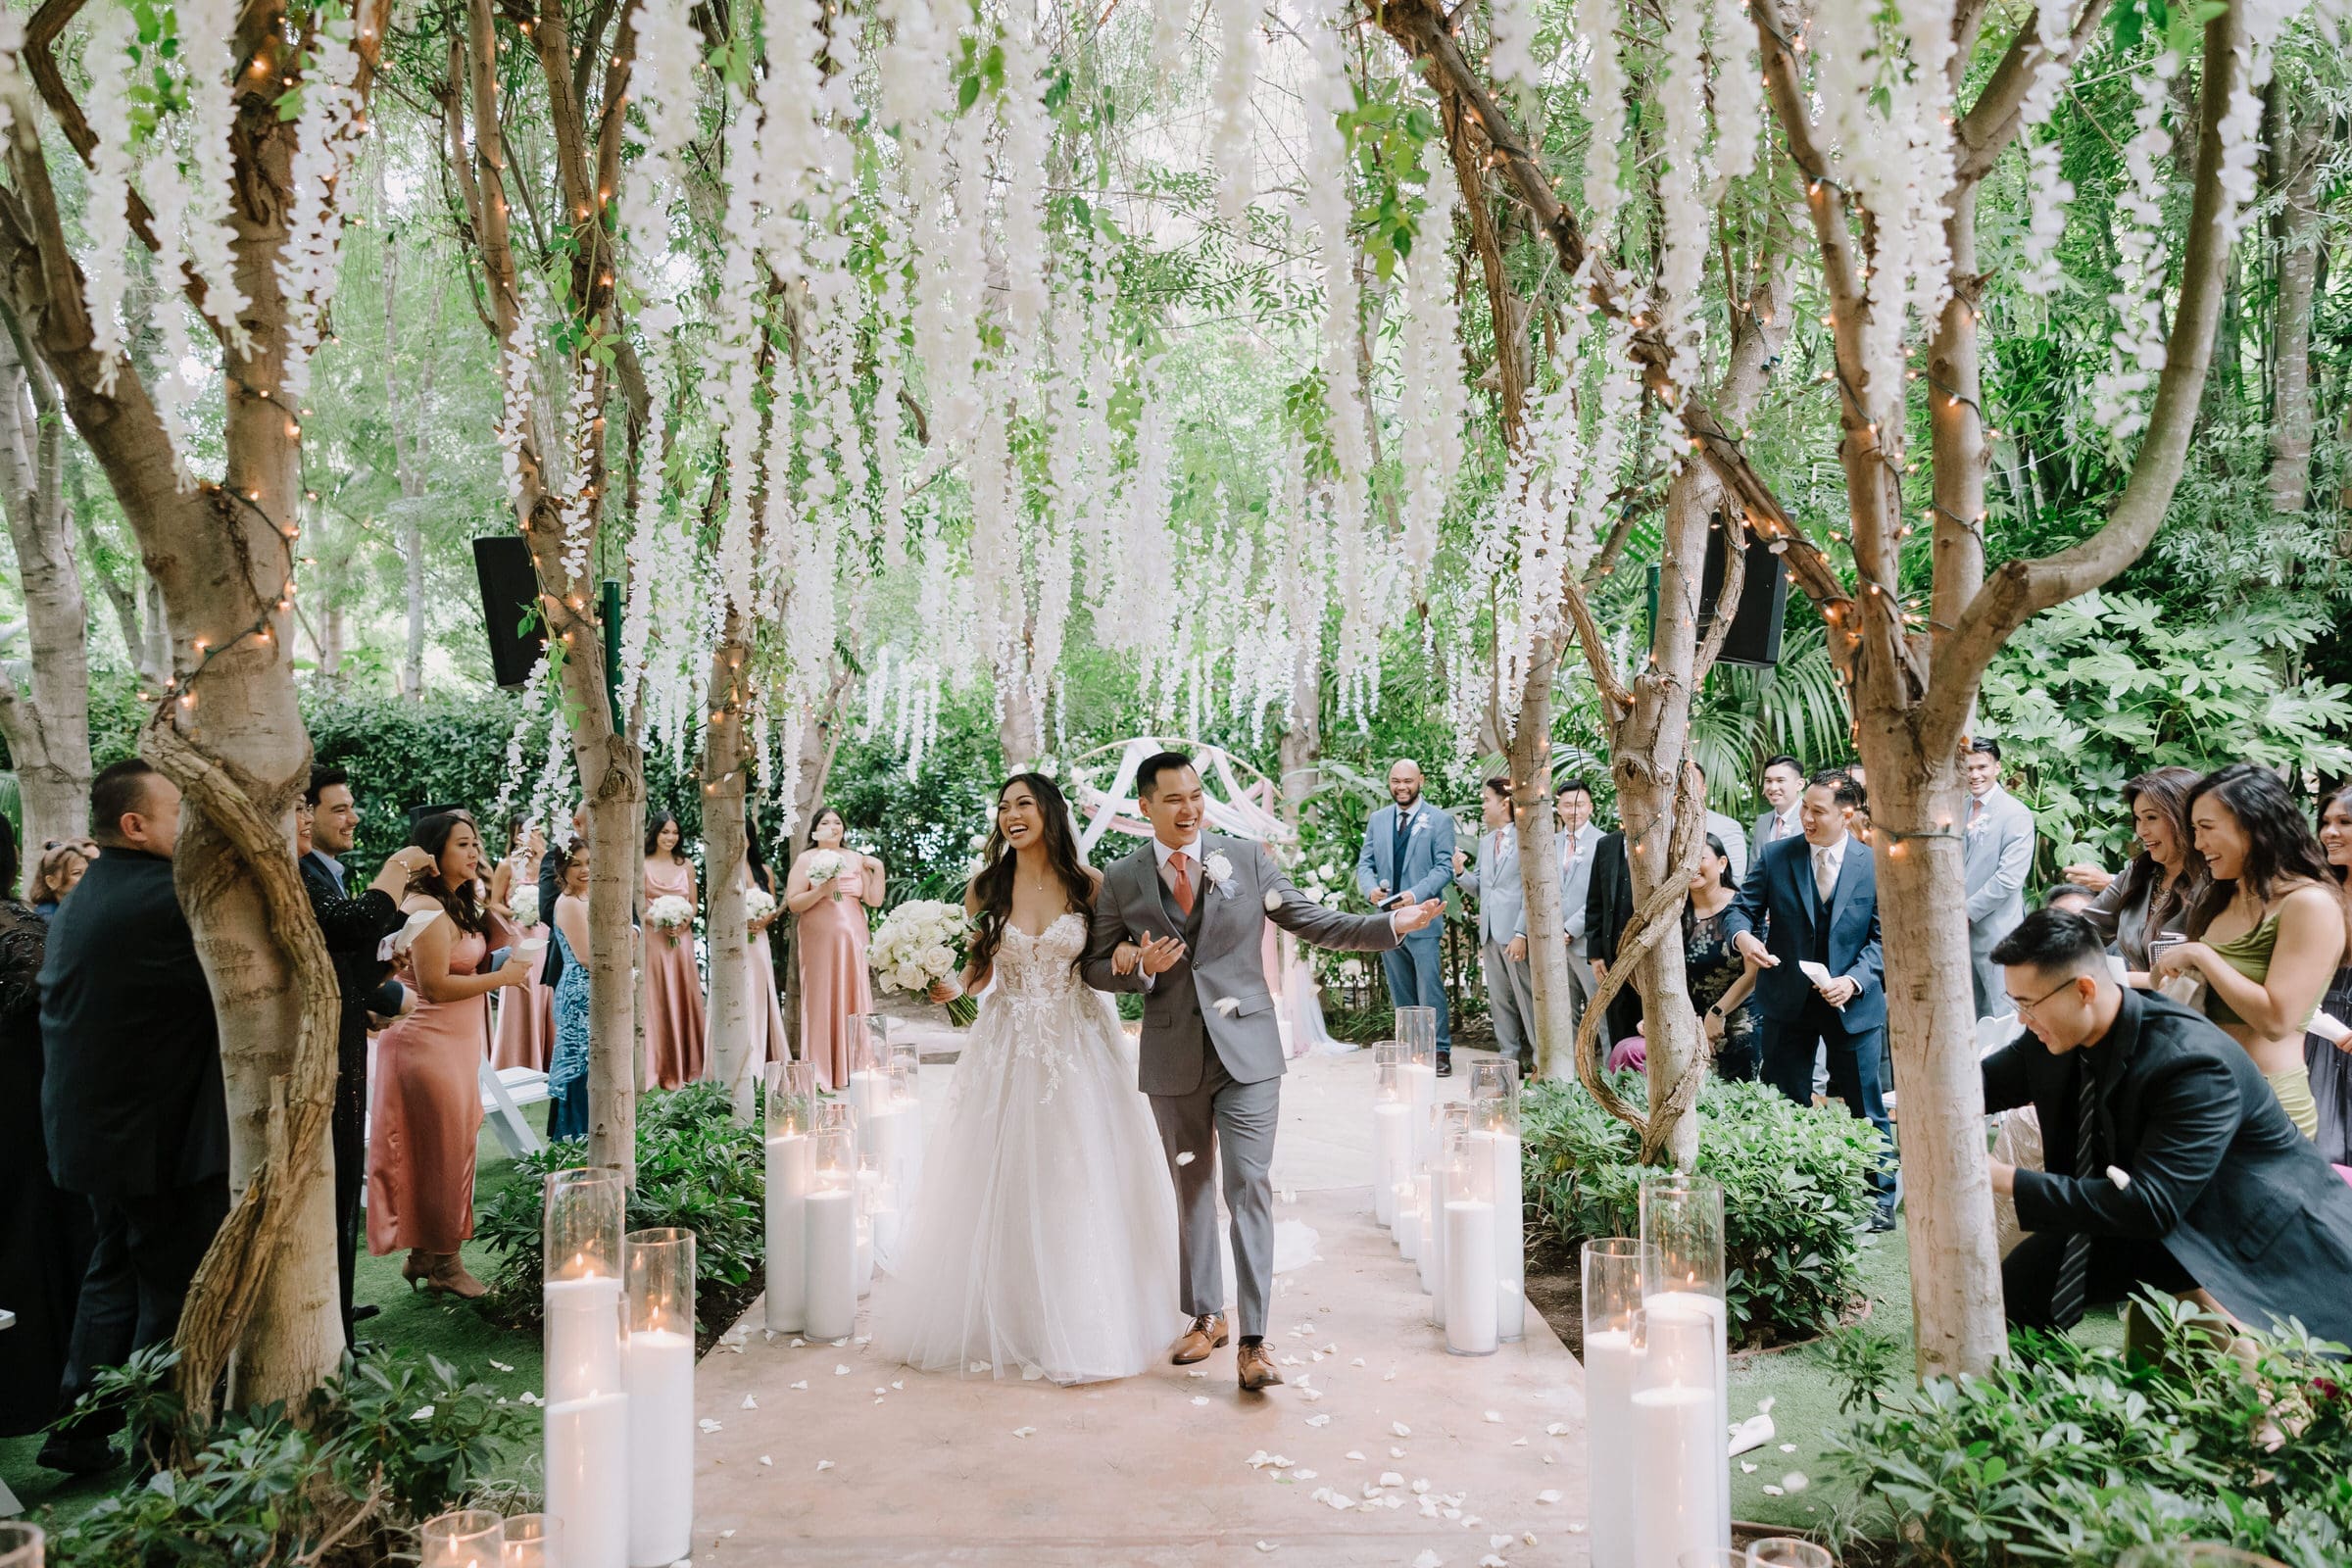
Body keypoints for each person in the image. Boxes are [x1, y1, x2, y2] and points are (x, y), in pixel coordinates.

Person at [1080, 752, 1442, 1391]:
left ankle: (1254, 1342)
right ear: (1145, 807)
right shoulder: (1124, 878)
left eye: (1196, 795)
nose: (1189, 808)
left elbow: (1313, 920)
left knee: (1249, 1184)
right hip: (1173, 1058)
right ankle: (1204, 1316)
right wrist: (1140, 965)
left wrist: (1391, 925)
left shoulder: (1245, 859)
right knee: (1191, 1188)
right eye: (1173, 799)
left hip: (1247, 1054)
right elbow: (1096, 966)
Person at [882, 771, 1179, 1386]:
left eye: (1023, 804)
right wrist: (948, 987)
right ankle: (1009, 1311)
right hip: (1007, 1044)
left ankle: (1087, 1315)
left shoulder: (1090, 885)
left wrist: (1131, 958)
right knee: (1003, 1173)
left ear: (1048, 811)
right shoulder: (985, 887)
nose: (1010, 815)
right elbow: (976, 974)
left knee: (1077, 1168)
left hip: (1079, 1044)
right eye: (1002, 806)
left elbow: (1104, 961)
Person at [1983, 908, 2352, 1341]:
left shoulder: (2191, 1063)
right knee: (2029, 1284)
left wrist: (2000, 1177)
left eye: (2028, 1004)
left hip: (2251, 1237)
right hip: (2165, 1221)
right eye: (2015, 1004)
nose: (2023, 1019)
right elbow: (1982, 1085)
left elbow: (2150, 1207)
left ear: (2084, 989)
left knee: (2268, 1386)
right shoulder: (2052, 1034)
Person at [38, 760, 228, 1474]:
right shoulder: (166, 895)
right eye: (182, 809)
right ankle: (165, 1457)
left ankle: (76, 1430)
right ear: (134, 824)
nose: (196, 825)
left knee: (114, 1273)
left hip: (99, 1134)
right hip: (155, 1138)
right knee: (172, 1293)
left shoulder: (100, 889)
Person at [367, 811, 532, 1298]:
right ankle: (447, 1263)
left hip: (455, 1047)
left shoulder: (457, 904)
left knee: (448, 1147)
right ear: (433, 855)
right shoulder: (425, 907)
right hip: (425, 1045)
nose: (474, 851)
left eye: (476, 843)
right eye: (462, 845)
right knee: (442, 1154)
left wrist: (490, 919)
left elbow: (496, 944)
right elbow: (436, 985)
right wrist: (504, 979)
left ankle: (423, 1257)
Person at [1725, 767, 1897, 1229]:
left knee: (1866, 1107)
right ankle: (1789, 1192)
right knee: (1784, 1100)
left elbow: (1886, 938)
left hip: (1853, 1004)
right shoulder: (1777, 855)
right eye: (1805, 807)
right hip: (1787, 1000)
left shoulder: (1876, 862)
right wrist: (1744, 939)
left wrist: (1856, 980)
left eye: (1818, 811)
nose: (1806, 817)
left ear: (1847, 813)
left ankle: (1880, 1199)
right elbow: (1741, 909)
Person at [2151, 764, 2344, 1142]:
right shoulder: (2224, 895)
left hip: (2267, 1103)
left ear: (2253, 824)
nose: (2198, 843)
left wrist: (2201, 955)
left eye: (2207, 828)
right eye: (2194, 830)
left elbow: (2277, 1020)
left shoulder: (2308, 904)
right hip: (2203, 1094)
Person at [296, 765, 422, 1342]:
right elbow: (351, 925)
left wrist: (380, 972)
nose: (351, 817)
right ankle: (331, 1322)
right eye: (337, 809)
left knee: (344, 1175)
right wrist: (395, 870)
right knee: (335, 1177)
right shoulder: (301, 872)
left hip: (347, 1032)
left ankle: (339, 1309)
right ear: (303, 815)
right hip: (323, 1048)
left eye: (352, 806)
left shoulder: (329, 873)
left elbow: (347, 956)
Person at [0, 815, 88, 1444]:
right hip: (24, 1105)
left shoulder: (21, 922)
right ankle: (46, 1397)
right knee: (40, 1236)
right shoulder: (19, 928)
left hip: (19, 1100)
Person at [1353, 759, 1456, 1072]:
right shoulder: (1378, 819)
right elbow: (1365, 863)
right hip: (1387, 921)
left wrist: (1417, 894)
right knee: (1400, 988)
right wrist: (1370, 889)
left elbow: (1445, 867)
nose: (1401, 787)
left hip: (1423, 915)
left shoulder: (1438, 820)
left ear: (1420, 780)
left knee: (1429, 987)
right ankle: (1410, 1049)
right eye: (1396, 781)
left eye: (1408, 781)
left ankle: (1439, 1051)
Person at [2067, 766, 2207, 982]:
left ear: (2183, 816)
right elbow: (2087, 927)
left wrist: (2115, 981)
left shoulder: (2213, 882)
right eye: (2138, 819)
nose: (2141, 831)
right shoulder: (2139, 873)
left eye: (2151, 818)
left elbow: (2198, 978)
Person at [787, 805, 884, 1089]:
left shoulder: (856, 858)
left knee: (855, 992)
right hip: (818, 936)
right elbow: (794, 902)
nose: (833, 826)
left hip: (854, 934)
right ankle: (823, 1070)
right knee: (822, 995)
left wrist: (878, 869)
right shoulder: (807, 859)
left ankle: (856, 1064)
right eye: (826, 822)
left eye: (838, 822)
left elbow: (874, 900)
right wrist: (821, 890)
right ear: (815, 830)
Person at [1455, 777, 1534, 1071]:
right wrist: (1460, 872)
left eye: (1486, 799)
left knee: (1526, 1000)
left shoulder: (1526, 837)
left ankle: (1539, 1061)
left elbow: (1531, 889)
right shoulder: (1486, 842)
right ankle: (1508, 1061)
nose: (1483, 805)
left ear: (1505, 803)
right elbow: (1482, 888)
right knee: (1499, 1001)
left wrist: (1521, 932)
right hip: (1489, 933)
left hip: (1515, 934)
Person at [1961, 739, 2036, 1020]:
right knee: (1967, 1014)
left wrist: (1965, 912)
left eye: (1982, 767)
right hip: (1958, 936)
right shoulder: (1957, 808)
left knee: (2001, 1013)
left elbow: (2009, 878)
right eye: (1968, 768)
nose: (1974, 775)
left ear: (1997, 768)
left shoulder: (2015, 813)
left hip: (1997, 931)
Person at [1685, 833, 1761, 1081]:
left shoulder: (1743, 908)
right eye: (1685, 859)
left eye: (1701, 858)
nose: (1692, 866)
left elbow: (1754, 973)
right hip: (1689, 1020)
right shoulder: (1674, 913)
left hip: (1740, 1015)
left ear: (1722, 863)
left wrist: (1717, 1014)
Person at [642, 808, 707, 1090]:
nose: (670, 837)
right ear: (654, 833)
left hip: (681, 939)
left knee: (683, 993)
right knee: (656, 997)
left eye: (674, 832)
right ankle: (659, 1064)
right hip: (653, 938)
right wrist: (656, 919)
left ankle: (690, 1062)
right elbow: (639, 903)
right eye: (664, 831)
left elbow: (693, 903)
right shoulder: (642, 864)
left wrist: (682, 921)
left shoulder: (686, 865)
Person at [2310, 786, 2352, 1165]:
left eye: (2344, 822)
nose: (2329, 833)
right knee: (2321, 1149)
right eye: (2325, 822)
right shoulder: (2320, 893)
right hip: (2324, 1032)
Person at [492, 816, 553, 1072]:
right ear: (516, 836)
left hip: (546, 934)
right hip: (519, 936)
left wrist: (543, 857)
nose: (531, 836)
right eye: (525, 832)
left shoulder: (551, 863)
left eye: (536, 831)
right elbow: (493, 902)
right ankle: (517, 1058)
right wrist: (515, 912)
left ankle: (548, 1057)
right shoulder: (507, 865)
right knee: (521, 989)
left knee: (547, 989)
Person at [1584, 813, 1645, 1054]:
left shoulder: (1663, 840)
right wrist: (1595, 954)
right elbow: (1595, 901)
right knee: (1618, 1022)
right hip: (1612, 956)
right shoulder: (1607, 844)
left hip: (1648, 954)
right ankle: (1623, 1083)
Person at [546, 841, 594, 1142]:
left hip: (594, 990)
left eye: (589, 862)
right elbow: (586, 956)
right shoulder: (569, 903)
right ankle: (573, 1136)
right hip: (579, 995)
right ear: (563, 869)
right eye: (576, 864)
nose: (585, 869)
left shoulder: (587, 896)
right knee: (579, 1066)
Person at [1555, 778, 1605, 1040]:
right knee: (1564, 1014)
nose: (1573, 811)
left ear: (1591, 807)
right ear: (1559, 808)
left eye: (1579, 804)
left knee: (1601, 1011)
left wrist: (1570, 928)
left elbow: (1602, 896)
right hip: (1553, 943)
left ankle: (1612, 1072)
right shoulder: (1549, 843)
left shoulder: (1603, 842)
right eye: (1566, 805)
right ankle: (1567, 1076)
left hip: (1588, 941)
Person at [1751, 755, 1805, 852]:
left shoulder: (1811, 819)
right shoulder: (1762, 822)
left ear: (1799, 785)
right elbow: (1755, 865)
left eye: (1780, 780)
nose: (1773, 788)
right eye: (1768, 781)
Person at [29, 839, 91, 921]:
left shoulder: (77, 908)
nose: (86, 878)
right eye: (76, 873)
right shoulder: (48, 917)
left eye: (87, 872)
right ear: (51, 882)